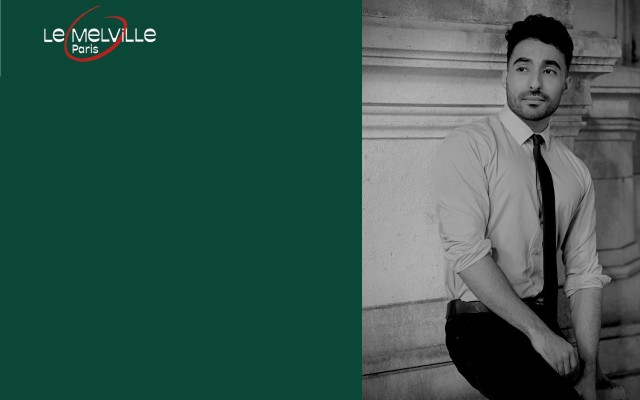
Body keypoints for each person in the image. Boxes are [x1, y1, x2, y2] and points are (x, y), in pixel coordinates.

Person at [433, 14, 611, 400]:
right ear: (505, 76)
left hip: (547, 327)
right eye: (522, 67)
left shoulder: (575, 172)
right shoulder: (470, 145)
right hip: (481, 327)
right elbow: (466, 255)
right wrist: (539, 335)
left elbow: (584, 275)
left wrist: (588, 370)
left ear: (566, 81)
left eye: (549, 70)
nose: (534, 83)